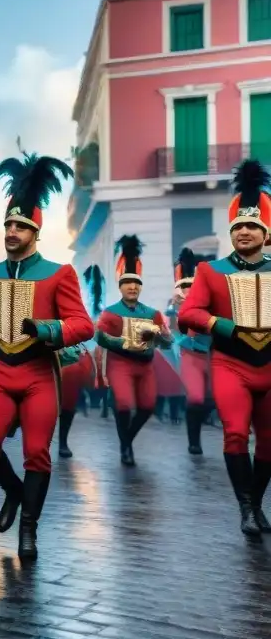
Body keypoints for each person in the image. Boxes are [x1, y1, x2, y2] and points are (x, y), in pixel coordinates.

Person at [0, 145, 93, 562]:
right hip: (0, 370)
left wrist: (48, 329)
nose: (12, 232)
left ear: (36, 232)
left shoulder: (60, 273)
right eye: (8, 225)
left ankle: (29, 530)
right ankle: (14, 491)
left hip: (39, 374)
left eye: (20, 226)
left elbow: (83, 325)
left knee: (37, 452)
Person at [178, 160, 271, 538]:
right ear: (231, 232)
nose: (245, 231)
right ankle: (246, 507)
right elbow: (189, 313)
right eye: (239, 227)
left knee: (269, 442)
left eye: (252, 226)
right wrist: (224, 326)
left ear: (265, 232)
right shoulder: (210, 271)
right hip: (231, 364)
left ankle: (257, 501)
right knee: (235, 433)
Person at [95, 235, 172, 467]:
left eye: (136, 283)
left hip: (146, 364)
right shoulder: (110, 312)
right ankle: (126, 447)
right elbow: (99, 336)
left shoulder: (153, 312)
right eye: (127, 283)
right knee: (125, 404)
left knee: (148, 406)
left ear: (140, 286)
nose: (132, 287)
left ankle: (126, 440)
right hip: (120, 363)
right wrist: (123, 343)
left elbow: (168, 340)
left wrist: (159, 336)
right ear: (120, 286)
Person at [166, 248, 212, 455]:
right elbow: (177, 329)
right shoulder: (175, 306)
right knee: (195, 398)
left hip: (216, 355)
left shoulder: (215, 298)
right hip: (192, 354)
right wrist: (181, 309)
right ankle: (194, 441)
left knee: (214, 400)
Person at [56, 264, 103, 458]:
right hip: (44, 351)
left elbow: (87, 330)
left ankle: (63, 441)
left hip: (69, 357)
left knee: (69, 395)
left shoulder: (78, 307)